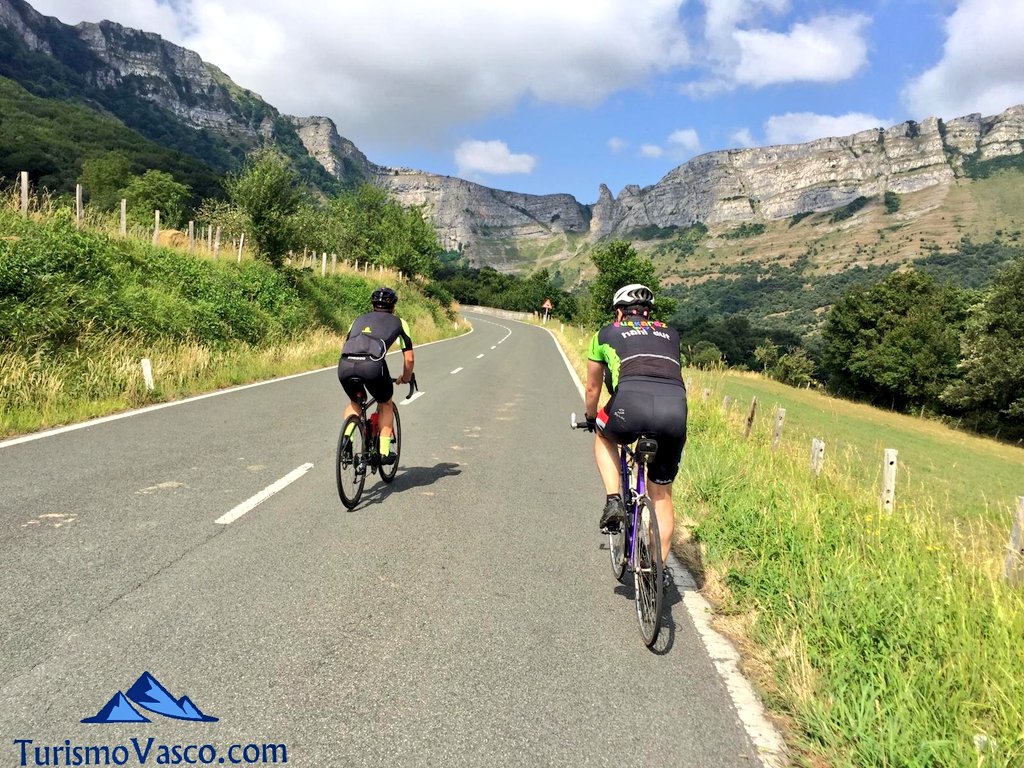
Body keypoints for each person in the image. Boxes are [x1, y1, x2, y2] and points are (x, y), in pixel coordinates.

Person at [583, 283, 687, 574]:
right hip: (674, 412)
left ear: (619, 312)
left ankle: (614, 500)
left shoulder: (605, 334)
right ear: (649, 313)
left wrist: (591, 417)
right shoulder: (671, 334)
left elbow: (593, 388)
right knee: (662, 496)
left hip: (629, 406)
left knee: (603, 434)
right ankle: (657, 572)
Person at [337, 287, 414, 465]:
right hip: (371, 367)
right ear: (393, 305)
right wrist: (406, 377)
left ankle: (346, 442)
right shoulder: (399, 322)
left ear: (373, 304)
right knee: (385, 403)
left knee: (355, 402)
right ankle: (384, 452)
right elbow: (409, 359)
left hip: (345, 365)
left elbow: (348, 343)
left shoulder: (358, 319)